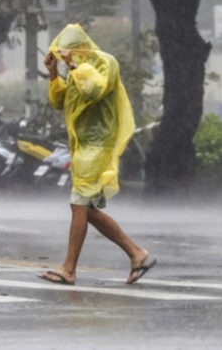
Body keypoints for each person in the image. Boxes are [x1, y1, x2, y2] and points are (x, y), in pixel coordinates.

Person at [38, 23, 156, 286]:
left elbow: (95, 90)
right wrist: (53, 73)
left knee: (79, 205)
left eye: (68, 52)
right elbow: (60, 102)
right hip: (82, 146)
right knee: (87, 210)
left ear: (81, 47)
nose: (66, 57)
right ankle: (137, 254)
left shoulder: (104, 63)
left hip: (99, 144)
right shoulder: (75, 69)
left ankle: (69, 269)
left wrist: (72, 67)